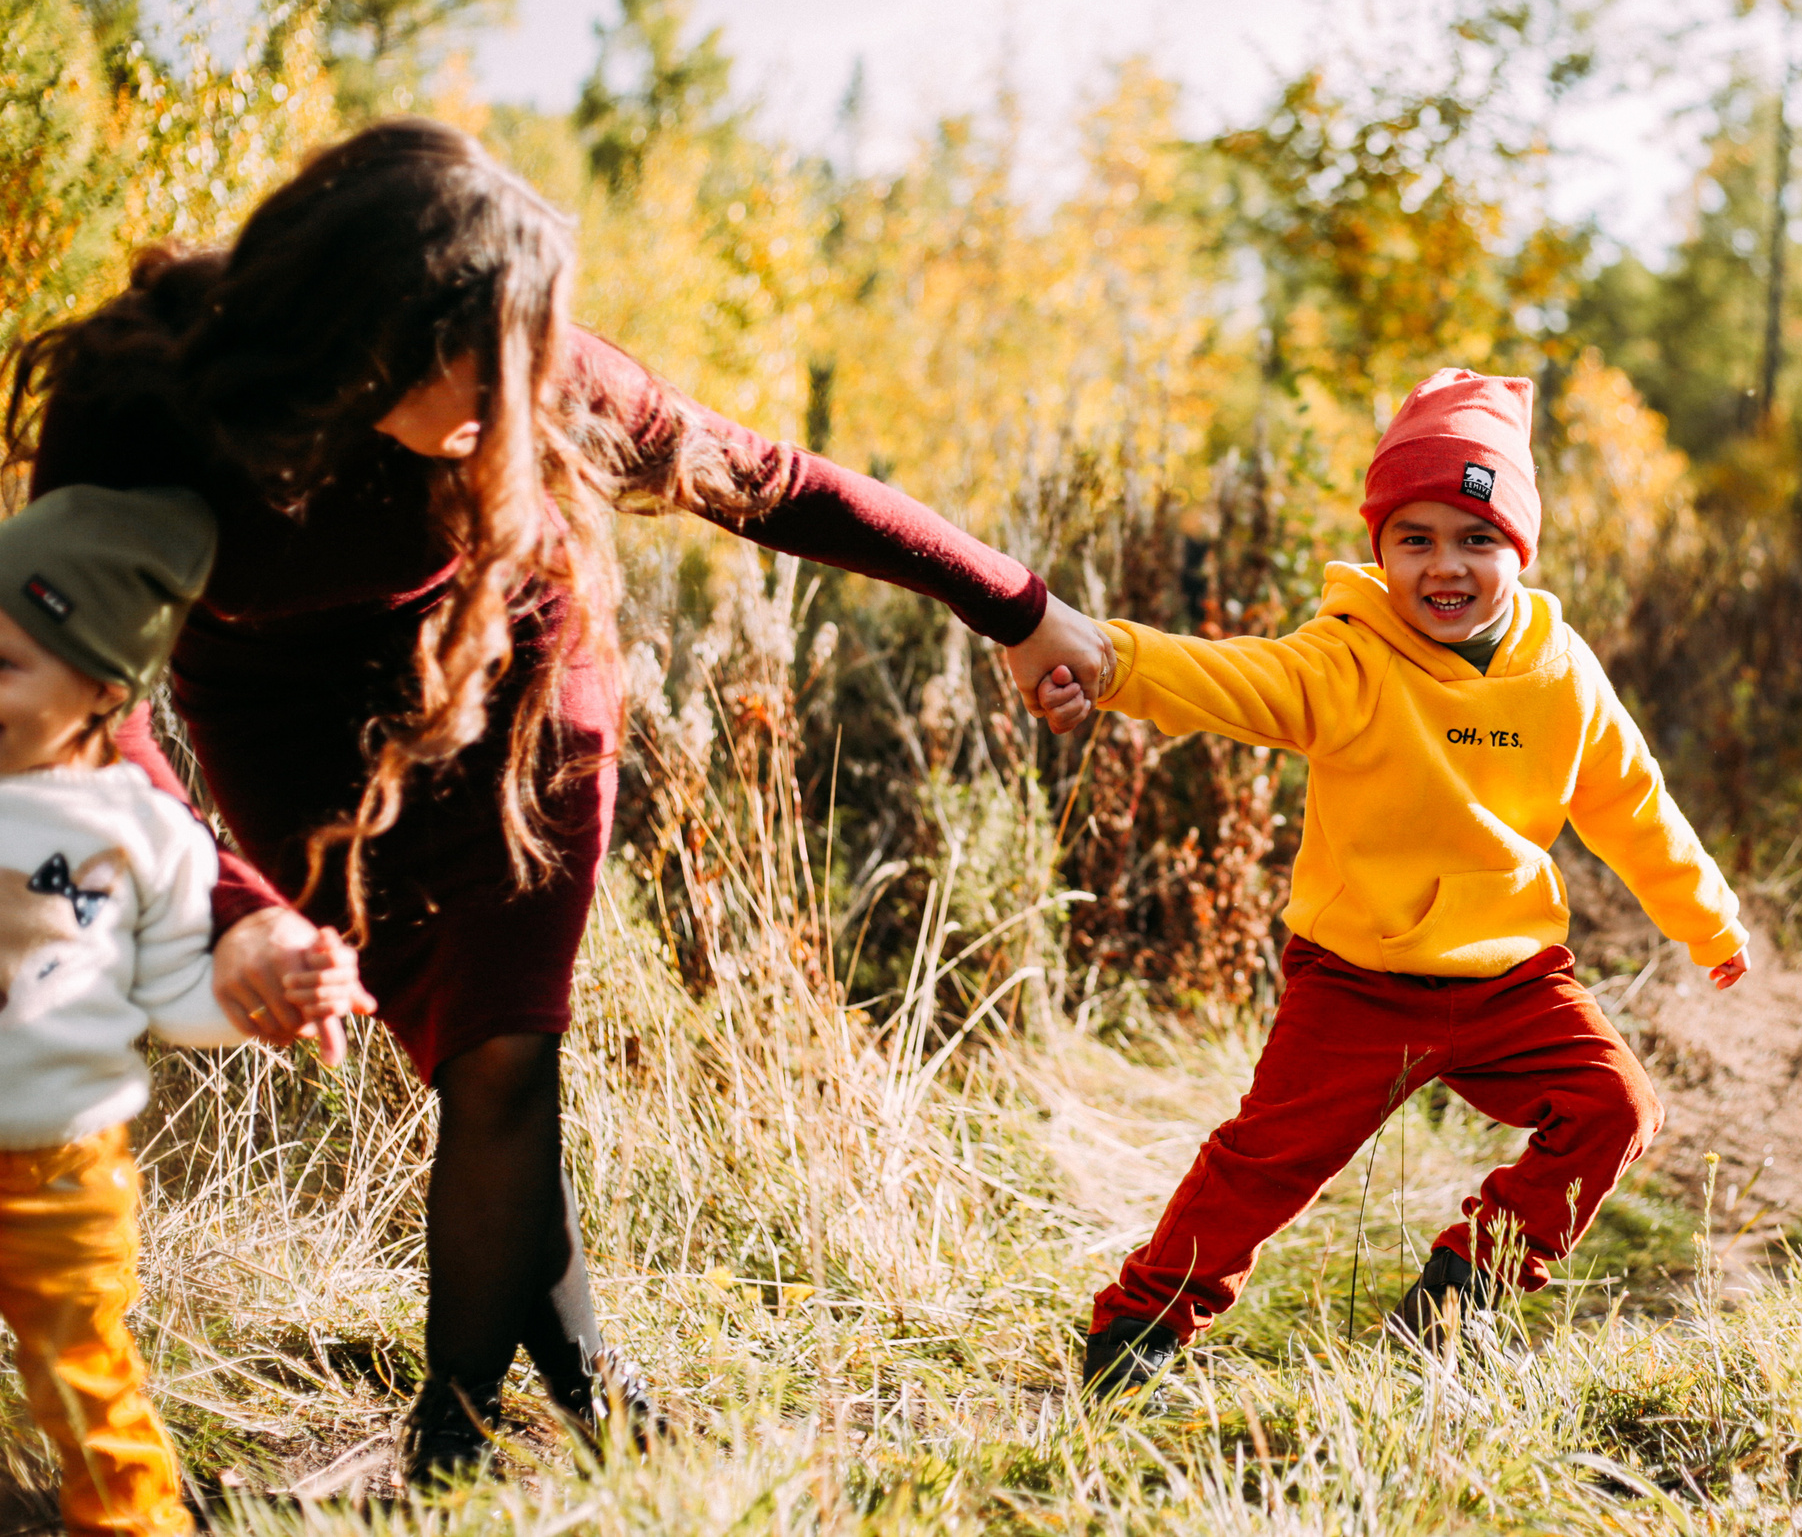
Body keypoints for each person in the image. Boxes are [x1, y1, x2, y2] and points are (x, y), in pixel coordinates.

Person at [6, 119, 1114, 1480]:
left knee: (505, 1046)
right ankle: (591, 1386)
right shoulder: (146, 407)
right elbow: (72, 692)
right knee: (465, 1055)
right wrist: (237, 908)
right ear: (378, 325)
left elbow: (772, 483)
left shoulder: (538, 379)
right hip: (278, 722)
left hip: (512, 672)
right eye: (488, 356)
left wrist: (1017, 608)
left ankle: (451, 1457)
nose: (525, 389)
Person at [1029, 368, 1750, 1395]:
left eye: (1476, 538)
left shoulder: (1561, 671)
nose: (1444, 566)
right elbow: (1235, 679)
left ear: (1519, 549)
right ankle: (1138, 1327)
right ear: (1380, 548)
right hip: (1356, 979)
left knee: (1615, 1105)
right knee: (1265, 1163)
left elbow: (1632, 805)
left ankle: (1463, 1291)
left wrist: (1707, 919)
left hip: (1509, 977)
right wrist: (1107, 660)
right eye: (1414, 539)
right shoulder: (1349, 660)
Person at [0, 485, 366, 1537]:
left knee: (85, 1382)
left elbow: (171, 997)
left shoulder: (146, 834)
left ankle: (132, 1525)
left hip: (62, 1172)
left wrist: (266, 1006)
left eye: (5, 665)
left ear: (101, 690)